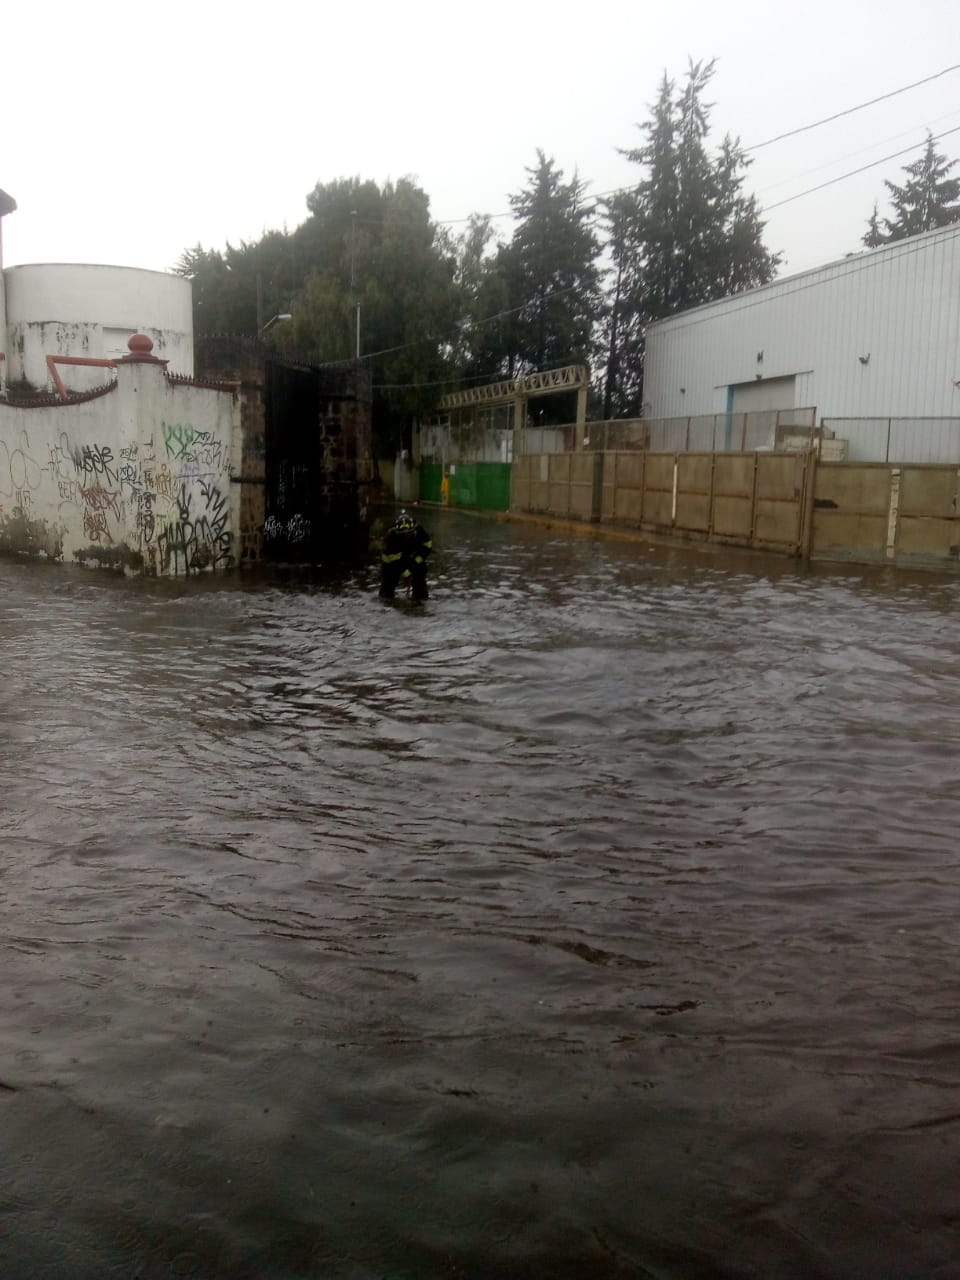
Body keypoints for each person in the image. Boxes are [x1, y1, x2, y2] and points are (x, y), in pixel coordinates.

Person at [379, 509, 433, 601]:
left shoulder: (420, 532)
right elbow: (388, 560)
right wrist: (405, 572)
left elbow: (427, 547)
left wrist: (415, 562)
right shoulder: (391, 538)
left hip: (413, 558)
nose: (406, 537)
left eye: (409, 534)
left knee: (420, 575)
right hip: (393, 564)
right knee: (388, 583)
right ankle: (386, 600)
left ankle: (420, 599)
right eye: (403, 535)